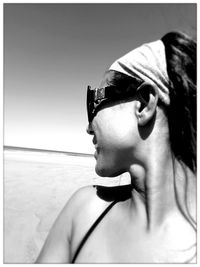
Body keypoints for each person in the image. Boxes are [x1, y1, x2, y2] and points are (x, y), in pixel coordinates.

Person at [36, 31, 196, 263]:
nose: (89, 127)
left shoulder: (89, 211)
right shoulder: (84, 210)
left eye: (94, 103)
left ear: (142, 105)